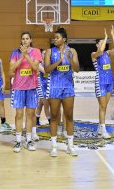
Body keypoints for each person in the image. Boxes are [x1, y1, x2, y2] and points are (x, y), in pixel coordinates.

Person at [45, 28, 80, 157]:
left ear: (64, 39)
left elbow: (76, 69)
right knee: (54, 117)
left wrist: (69, 58)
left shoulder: (72, 51)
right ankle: (54, 146)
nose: (55, 39)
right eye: (54, 37)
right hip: (54, 86)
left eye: (57, 37)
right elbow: (47, 70)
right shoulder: (49, 52)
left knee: (69, 116)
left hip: (68, 87)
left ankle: (70, 145)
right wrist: (59, 60)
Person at [9, 32, 42, 153]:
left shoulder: (36, 51)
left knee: (30, 115)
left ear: (30, 40)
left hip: (32, 88)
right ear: (21, 40)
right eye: (23, 39)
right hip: (18, 88)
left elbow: (34, 67)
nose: (25, 41)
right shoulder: (15, 53)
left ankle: (28, 140)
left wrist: (26, 55)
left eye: (27, 39)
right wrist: (22, 56)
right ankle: (18, 141)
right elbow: (12, 69)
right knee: (18, 114)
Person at [92, 25, 114, 138]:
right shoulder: (94, 54)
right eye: (101, 42)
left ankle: (100, 126)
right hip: (100, 82)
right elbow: (101, 50)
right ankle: (103, 130)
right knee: (102, 106)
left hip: (109, 82)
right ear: (97, 44)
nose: (103, 44)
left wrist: (112, 35)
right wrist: (105, 36)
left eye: (104, 42)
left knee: (104, 106)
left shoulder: (107, 53)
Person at [35, 49, 51, 130]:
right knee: (46, 104)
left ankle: (36, 120)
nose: (45, 55)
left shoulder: (49, 63)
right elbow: (46, 71)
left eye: (46, 54)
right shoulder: (39, 63)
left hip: (47, 85)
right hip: (41, 85)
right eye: (43, 54)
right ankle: (50, 121)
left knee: (40, 104)